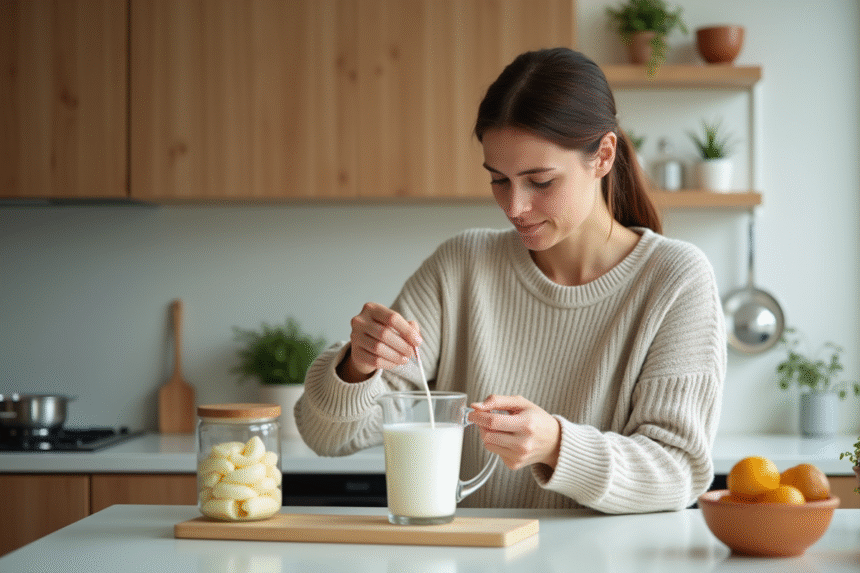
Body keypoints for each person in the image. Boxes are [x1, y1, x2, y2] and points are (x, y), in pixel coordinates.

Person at [295, 47, 726, 514]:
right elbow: (325, 438)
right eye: (499, 179)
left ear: (603, 156)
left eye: (540, 181)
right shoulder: (461, 265)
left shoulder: (676, 279)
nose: (515, 207)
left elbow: (677, 471)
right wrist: (357, 368)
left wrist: (557, 445)